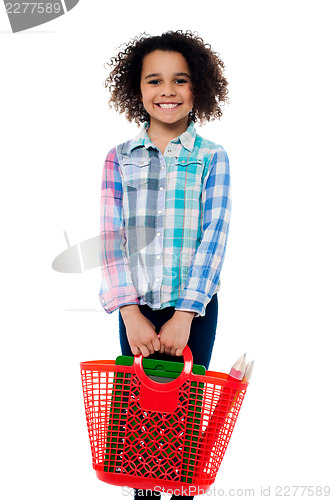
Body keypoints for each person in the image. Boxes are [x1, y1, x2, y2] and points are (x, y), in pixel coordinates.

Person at [99, 30, 231, 500]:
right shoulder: (119, 158)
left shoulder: (212, 158)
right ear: (137, 89)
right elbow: (111, 238)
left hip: (191, 312)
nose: (168, 91)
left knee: (182, 426)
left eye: (181, 80)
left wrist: (183, 315)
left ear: (199, 88)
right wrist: (129, 312)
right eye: (155, 81)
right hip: (137, 312)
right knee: (137, 432)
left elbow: (214, 237)